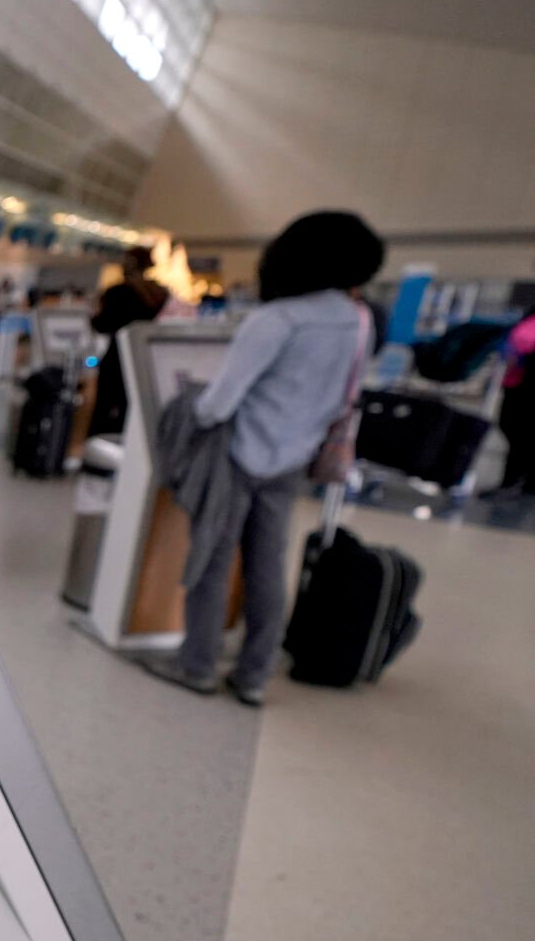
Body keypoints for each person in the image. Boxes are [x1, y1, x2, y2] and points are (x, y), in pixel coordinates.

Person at [144, 211, 386, 706]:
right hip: (294, 457)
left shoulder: (278, 319)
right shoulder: (357, 321)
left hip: (239, 456)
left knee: (212, 560)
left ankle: (197, 664)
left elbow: (219, 404)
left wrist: (192, 409)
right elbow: (344, 396)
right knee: (267, 566)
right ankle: (254, 674)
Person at [88, 246, 170, 436]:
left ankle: (99, 444)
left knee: (104, 407)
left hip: (115, 357)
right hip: (142, 357)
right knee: (130, 407)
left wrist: (92, 314)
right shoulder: (159, 293)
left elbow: (102, 324)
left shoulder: (117, 292)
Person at [487, 306, 535, 497]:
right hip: (516, 381)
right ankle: (518, 480)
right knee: (511, 426)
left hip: (527, 383)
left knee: (521, 432)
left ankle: (516, 481)